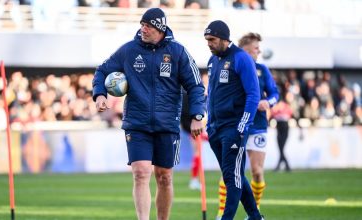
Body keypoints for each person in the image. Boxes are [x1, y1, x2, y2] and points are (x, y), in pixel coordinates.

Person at [92, 8, 206, 220]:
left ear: (160, 29)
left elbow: (196, 87)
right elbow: (101, 71)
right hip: (137, 123)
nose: (143, 29)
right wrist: (99, 94)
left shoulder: (178, 52)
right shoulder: (128, 50)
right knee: (141, 172)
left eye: (148, 26)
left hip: (167, 124)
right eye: (142, 24)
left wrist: (197, 115)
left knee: (164, 177)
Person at [204, 20, 264, 220]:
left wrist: (243, 125)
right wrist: (209, 122)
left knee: (231, 176)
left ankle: (226, 218)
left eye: (212, 39)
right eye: (207, 40)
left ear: (223, 38)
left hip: (234, 127)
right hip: (215, 129)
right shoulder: (213, 62)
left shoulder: (241, 58)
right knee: (235, 175)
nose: (209, 43)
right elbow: (211, 94)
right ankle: (255, 217)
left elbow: (253, 94)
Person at [215, 32, 279, 218]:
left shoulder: (262, 70)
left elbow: (274, 93)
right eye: (256, 48)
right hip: (235, 125)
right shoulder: (232, 67)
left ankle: (254, 211)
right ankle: (221, 212)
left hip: (257, 125)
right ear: (245, 50)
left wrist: (269, 102)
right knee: (230, 171)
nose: (259, 51)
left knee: (257, 172)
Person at [272, 92, 293, 172]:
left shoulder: (285, 107)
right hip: (279, 129)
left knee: (281, 148)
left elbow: (290, 114)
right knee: (281, 148)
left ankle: (283, 166)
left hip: (284, 129)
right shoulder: (277, 108)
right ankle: (286, 166)